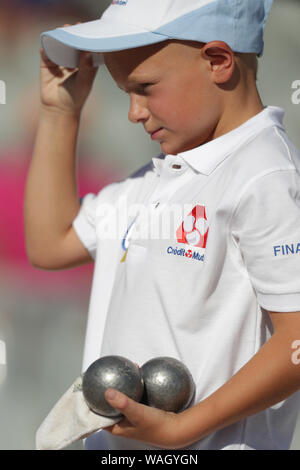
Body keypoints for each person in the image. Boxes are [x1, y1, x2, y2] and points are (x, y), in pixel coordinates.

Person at [25, 0, 300, 450]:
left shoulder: (265, 176)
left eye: (145, 86)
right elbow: (50, 244)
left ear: (218, 61)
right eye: (123, 92)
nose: (133, 112)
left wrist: (183, 429)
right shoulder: (162, 175)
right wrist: (60, 112)